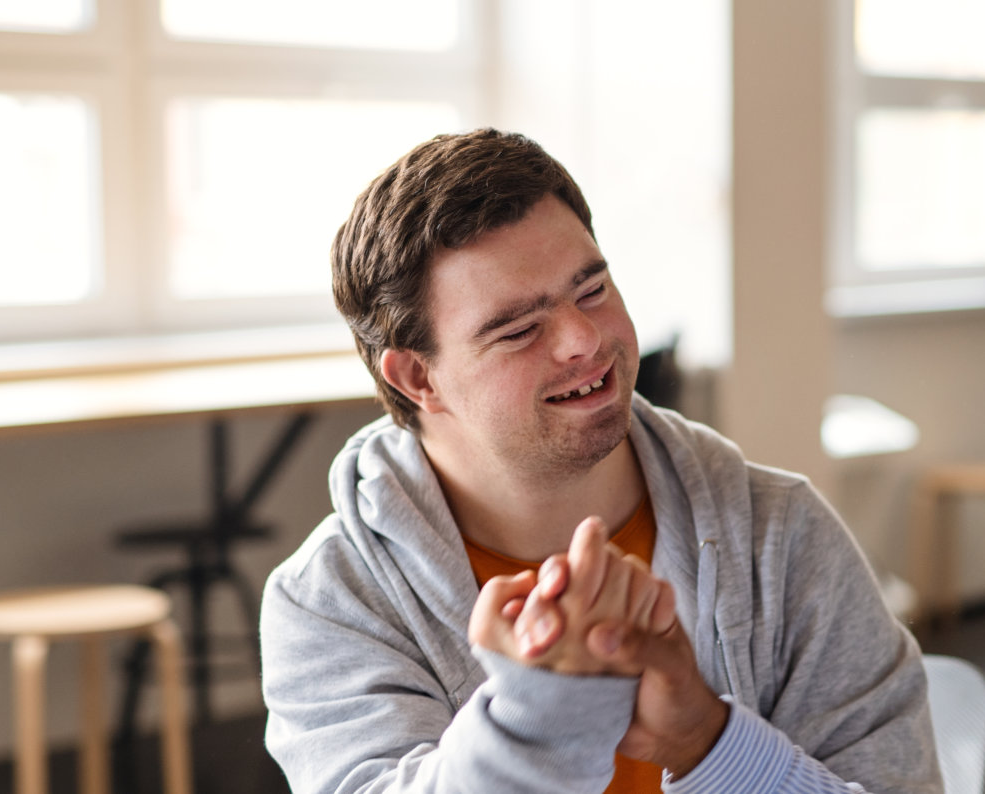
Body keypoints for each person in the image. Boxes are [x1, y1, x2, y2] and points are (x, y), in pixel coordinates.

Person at [259, 128, 941, 794]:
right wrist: (540, 712)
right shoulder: (331, 603)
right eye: (519, 329)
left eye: (593, 290)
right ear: (418, 379)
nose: (585, 340)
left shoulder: (782, 536)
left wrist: (707, 742)